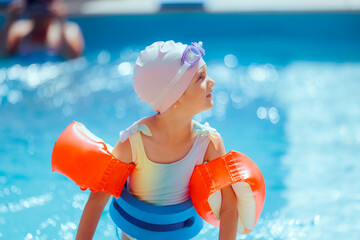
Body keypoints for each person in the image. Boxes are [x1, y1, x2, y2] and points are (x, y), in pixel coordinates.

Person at [75, 41, 239, 240]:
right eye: (201, 77)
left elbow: (229, 207)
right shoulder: (134, 141)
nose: (212, 81)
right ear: (175, 97)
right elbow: (97, 201)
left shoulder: (209, 142)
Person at [0, 0, 84, 59]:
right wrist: (9, 20)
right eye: (33, 3)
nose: (38, 11)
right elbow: (2, 55)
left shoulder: (67, 31)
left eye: (43, 4)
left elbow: (73, 58)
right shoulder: (19, 31)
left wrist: (61, 21)